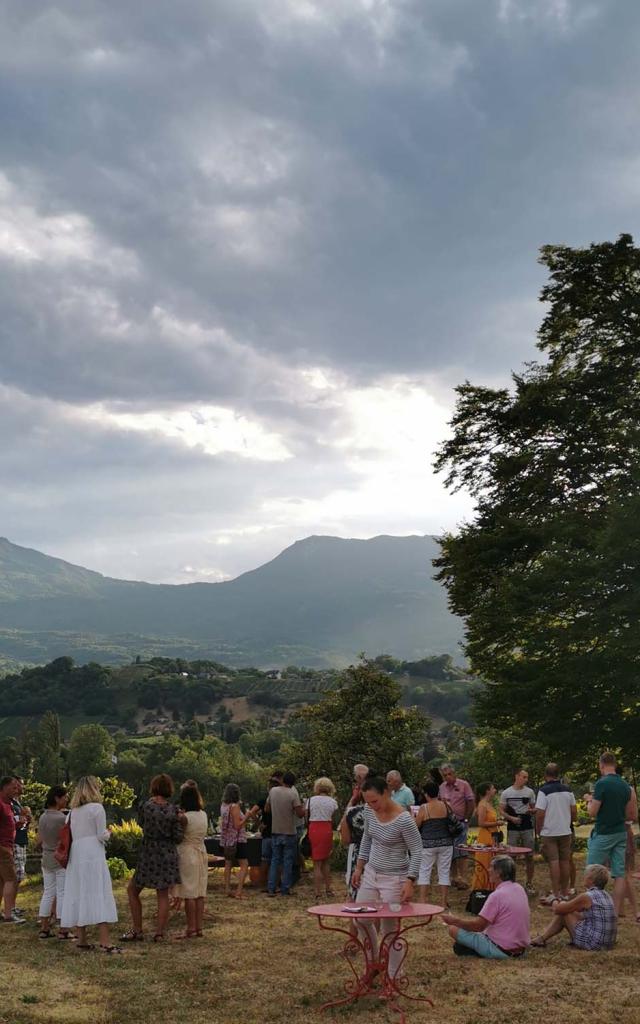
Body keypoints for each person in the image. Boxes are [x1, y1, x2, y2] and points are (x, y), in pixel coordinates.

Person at [351, 777, 423, 979]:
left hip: (395, 878)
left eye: (375, 801)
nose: (372, 806)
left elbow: (417, 850)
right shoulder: (369, 811)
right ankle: (373, 963)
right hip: (371, 873)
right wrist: (359, 868)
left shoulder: (403, 819)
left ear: (386, 793)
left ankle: (394, 977)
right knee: (360, 919)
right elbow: (367, 838)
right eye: (367, 801)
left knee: (389, 929)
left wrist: (410, 880)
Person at [122, 773, 185, 942]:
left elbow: (142, 824)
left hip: (149, 852)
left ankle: (137, 929)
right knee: (162, 895)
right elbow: (178, 837)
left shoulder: (146, 807)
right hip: (167, 853)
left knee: (133, 890)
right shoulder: (174, 810)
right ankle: (159, 932)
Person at [60, 776, 120, 952]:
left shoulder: (72, 812)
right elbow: (101, 835)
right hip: (93, 853)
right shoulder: (97, 808)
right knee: (98, 891)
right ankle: (105, 941)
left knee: (79, 891)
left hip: (76, 853)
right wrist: (109, 833)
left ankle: (82, 939)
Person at [442, 855, 530, 959]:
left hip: (501, 949)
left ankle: (480, 951)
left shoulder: (497, 895)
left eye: (491, 867)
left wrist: (454, 921)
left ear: (499, 872)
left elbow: (478, 926)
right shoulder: (519, 888)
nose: (488, 870)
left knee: (453, 929)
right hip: (520, 950)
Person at [585, 751, 637, 914]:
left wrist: (588, 803)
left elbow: (593, 812)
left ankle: (590, 908)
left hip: (603, 833)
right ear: (614, 765)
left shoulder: (602, 784)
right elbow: (631, 815)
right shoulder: (625, 786)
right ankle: (614, 911)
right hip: (620, 832)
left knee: (591, 870)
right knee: (619, 873)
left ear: (601, 765)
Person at [531, 864, 617, 950]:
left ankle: (541, 938)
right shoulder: (606, 895)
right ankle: (541, 938)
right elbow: (580, 913)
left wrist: (553, 900)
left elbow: (558, 909)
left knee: (564, 911)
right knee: (566, 909)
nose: (584, 877)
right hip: (608, 943)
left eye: (586, 875)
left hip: (594, 944)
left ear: (591, 880)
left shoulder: (587, 896)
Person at [535, 763, 577, 903]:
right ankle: (565, 892)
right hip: (565, 830)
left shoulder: (543, 791)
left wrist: (538, 830)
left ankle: (556, 893)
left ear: (545, 775)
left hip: (549, 831)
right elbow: (574, 812)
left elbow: (540, 813)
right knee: (565, 861)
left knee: (554, 861)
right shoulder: (568, 790)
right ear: (558, 774)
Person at [173, 782, 208, 938]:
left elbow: (178, 836)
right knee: (200, 892)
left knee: (189, 892)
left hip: (187, 853)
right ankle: (199, 927)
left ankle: (191, 927)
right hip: (201, 851)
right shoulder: (204, 815)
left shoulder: (184, 818)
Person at [37, 785, 70, 939]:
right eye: (65, 797)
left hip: (46, 857)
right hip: (60, 858)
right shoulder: (63, 818)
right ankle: (63, 929)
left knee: (48, 892)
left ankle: (44, 927)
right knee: (62, 892)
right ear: (57, 798)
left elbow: (39, 839)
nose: (67, 799)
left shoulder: (43, 816)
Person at [415, 780, 454, 908]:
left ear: (426, 794)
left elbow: (417, 825)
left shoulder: (424, 808)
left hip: (428, 844)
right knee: (443, 871)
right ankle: (443, 901)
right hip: (446, 843)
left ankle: (422, 901)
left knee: (425, 871)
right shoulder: (446, 805)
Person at [267, 772, 305, 897]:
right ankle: (285, 888)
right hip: (289, 831)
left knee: (275, 860)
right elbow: (300, 813)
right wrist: (304, 807)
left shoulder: (273, 791)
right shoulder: (293, 794)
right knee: (287, 861)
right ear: (293, 782)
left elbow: (267, 808)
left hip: (275, 830)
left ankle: (271, 888)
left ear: (283, 780)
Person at [500, 769, 536, 895]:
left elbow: (533, 807)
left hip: (527, 824)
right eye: (524, 777)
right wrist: (511, 818)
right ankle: (510, 883)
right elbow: (502, 810)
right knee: (511, 855)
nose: (526, 779)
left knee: (529, 855)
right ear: (517, 776)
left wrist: (532, 811)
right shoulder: (506, 792)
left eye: (527, 777)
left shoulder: (529, 792)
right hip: (513, 824)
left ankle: (529, 883)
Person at [439, 764, 475, 889]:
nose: (448, 777)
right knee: (450, 851)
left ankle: (464, 878)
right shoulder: (442, 787)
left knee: (461, 851)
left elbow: (471, 802)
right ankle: (454, 877)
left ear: (454, 774)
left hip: (460, 822)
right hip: (447, 823)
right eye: (445, 775)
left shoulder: (463, 785)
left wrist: (466, 818)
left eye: (449, 774)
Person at [220, 783, 258, 899]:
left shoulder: (223, 806)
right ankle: (239, 891)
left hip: (227, 840)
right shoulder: (234, 807)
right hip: (238, 840)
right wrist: (246, 816)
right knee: (244, 864)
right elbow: (237, 825)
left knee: (228, 864)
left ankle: (227, 889)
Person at [306, 777, 338, 899]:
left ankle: (317, 891)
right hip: (326, 828)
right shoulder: (332, 802)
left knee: (316, 863)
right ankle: (328, 889)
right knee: (326, 860)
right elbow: (333, 815)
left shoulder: (310, 800)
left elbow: (306, 814)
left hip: (314, 828)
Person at [0, 776, 23, 925]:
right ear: (5, 787)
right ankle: (9, 915)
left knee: (1, 881)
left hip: (7, 845)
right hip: (3, 847)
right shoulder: (1, 804)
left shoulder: (8, 804)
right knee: (11, 879)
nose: (17, 790)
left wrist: (18, 825)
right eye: (14, 787)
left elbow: (7, 826)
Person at [471, 783, 503, 891]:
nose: (495, 790)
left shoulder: (489, 804)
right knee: (485, 863)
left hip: (493, 836)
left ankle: (492, 887)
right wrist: (497, 823)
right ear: (487, 791)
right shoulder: (482, 805)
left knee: (493, 862)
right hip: (486, 836)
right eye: (493, 788)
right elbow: (481, 823)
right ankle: (482, 889)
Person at [10, 776, 30, 919]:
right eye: (20, 785)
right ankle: (9, 908)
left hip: (21, 840)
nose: (22, 787)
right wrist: (20, 817)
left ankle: (13, 906)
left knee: (19, 876)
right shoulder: (9, 803)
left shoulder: (18, 802)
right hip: (15, 841)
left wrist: (27, 819)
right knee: (15, 876)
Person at [340, 792, 366, 901]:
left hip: (358, 854)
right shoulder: (395, 812)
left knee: (354, 891)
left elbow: (345, 839)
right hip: (384, 858)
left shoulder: (352, 813)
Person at [257, 776, 280, 889]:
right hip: (278, 832)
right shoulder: (281, 800)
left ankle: (262, 884)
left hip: (266, 833)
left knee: (265, 860)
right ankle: (275, 884)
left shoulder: (263, 800)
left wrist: (259, 823)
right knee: (277, 861)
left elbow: (251, 812)